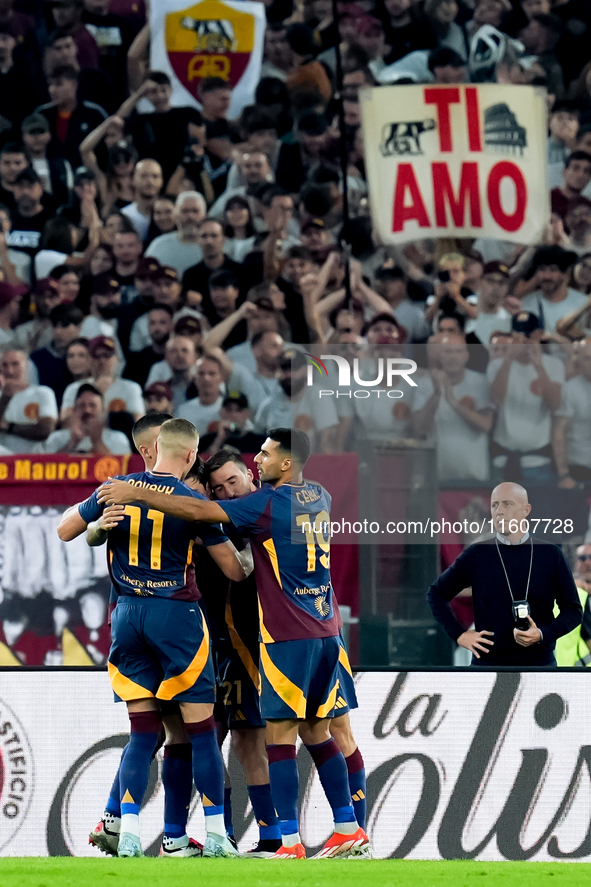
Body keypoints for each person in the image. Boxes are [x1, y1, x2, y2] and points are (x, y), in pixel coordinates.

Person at [97, 428, 370, 859]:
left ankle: (289, 842)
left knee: (278, 739)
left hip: (285, 636)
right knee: (319, 732)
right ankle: (349, 830)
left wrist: (139, 493)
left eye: (262, 455)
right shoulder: (318, 495)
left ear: (284, 463)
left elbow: (198, 510)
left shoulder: (263, 505)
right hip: (325, 630)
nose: (257, 460)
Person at [79, 417, 247, 857]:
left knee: (142, 734)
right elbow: (233, 569)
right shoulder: (191, 501)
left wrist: (96, 530)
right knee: (201, 732)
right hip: (178, 618)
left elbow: (66, 530)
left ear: (151, 448)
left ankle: (130, 833)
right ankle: (215, 835)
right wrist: (253, 553)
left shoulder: (116, 489)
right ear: (190, 454)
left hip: (127, 616)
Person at [427, 482, 583, 666]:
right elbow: (436, 593)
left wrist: (542, 634)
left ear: (526, 510)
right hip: (488, 666)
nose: (499, 511)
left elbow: (573, 610)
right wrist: (459, 635)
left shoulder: (550, 554)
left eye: (507, 504)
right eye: (495, 505)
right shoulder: (477, 554)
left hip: (539, 666)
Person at [488, 311, 564, 483]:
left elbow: (555, 404)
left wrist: (538, 365)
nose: (523, 339)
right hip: (503, 458)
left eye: (528, 335)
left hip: (538, 460)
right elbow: (495, 398)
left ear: (537, 335)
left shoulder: (553, 365)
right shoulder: (497, 365)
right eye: (518, 334)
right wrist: (509, 357)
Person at [412, 335, 493, 483]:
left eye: (458, 351)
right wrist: (436, 395)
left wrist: (453, 402)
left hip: (474, 477)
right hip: (437, 479)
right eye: (448, 352)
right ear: (440, 356)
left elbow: (485, 425)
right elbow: (419, 429)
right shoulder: (424, 384)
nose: (453, 356)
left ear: (466, 356)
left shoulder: (480, 381)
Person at [35, 64, 107, 168]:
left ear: (74, 85)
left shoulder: (94, 114)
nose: (52, 90)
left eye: (58, 84)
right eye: (50, 85)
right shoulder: (42, 114)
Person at [61, 334, 144, 423]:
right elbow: (65, 423)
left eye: (107, 355)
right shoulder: (74, 388)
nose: (102, 361)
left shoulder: (131, 388)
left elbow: (138, 424)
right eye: (97, 356)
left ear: (115, 359)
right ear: (89, 360)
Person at [44, 382, 131, 454]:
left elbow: (122, 468)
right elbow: (47, 467)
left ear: (103, 411)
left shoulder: (118, 439)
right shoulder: (56, 438)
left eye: (92, 405)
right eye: (82, 405)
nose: (87, 410)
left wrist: (98, 442)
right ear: (74, 410)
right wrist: (72, 443)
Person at [0, 348, 58, 452]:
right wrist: (5, 397)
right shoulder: (1, 397)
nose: (10, 370)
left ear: (26, 365)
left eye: (15, 364)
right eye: (5, 365)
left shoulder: (42, 393)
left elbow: (44, 430)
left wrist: (8, 427)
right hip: (4, 462)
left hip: (34, 461)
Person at [553, 339, 591, 486]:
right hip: (579, 468)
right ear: (579, 360)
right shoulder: (570, 389)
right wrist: (563, 473)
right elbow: (558, 431)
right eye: (587, 358)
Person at [145, 191, 206, 276]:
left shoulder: (220, 246)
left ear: (205, 215)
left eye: (195, 211)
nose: (190, 216)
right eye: (184, 211)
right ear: (176, 215)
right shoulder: (158, 246)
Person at [198, 393, 266, 456]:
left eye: (238, 410)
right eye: (229, 409)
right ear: (221, 413)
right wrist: (219, 440)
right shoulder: (207, 441)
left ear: (247, 414)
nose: (233, 414)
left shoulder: (260, 442)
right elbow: (202, 463)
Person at [176, 354, 224, 435]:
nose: (206, 378)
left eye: (212, 374)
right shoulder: (183, 411)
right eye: (201, 373)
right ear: (195, 378)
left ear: (221, 378)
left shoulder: (229, 409)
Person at [120, 159, 164, 242]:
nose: (150, 181)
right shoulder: (124, 215)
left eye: (155, 176)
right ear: (132, 180)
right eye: (144, 176)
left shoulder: (170, 214)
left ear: (161, 181)